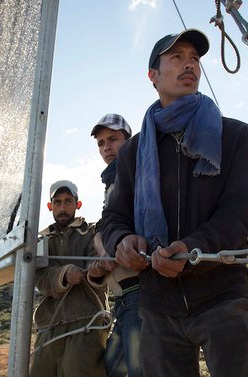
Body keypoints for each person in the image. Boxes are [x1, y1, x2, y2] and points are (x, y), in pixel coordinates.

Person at [100, 29, 248, 377]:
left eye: (194, 58)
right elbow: (113, 217)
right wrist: (122, 242)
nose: (189, 64)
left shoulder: (235, 136)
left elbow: (235, 217)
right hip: (157, 305)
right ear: (153, 77)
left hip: (223, 295)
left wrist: (190, 249)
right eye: (176, 57)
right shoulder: (132, 152)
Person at [31, 180, 109, 377]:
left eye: (68, 201)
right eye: (57, 202)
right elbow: (40, 279)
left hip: (86, 322)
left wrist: (95, 272)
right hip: (48, 325)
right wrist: (64, 274)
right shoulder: (42, 242)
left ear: (78, 204)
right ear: (50, 207)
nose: (62, 207)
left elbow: (99, 268)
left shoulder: (91, 233)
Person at [88, 114, 143, 377]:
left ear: (129, 141)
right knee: (112, 368)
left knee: (139, 369)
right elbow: (106, 232)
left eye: (113, 139)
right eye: (100, 143)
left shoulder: (134, 175)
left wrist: (110, 248)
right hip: (122, 299)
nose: (106, 147)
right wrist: (101, 261)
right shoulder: (111, 181)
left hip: (140, 292)